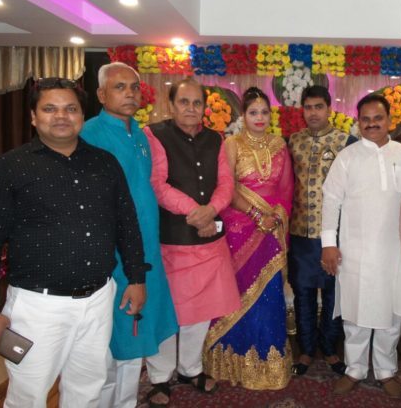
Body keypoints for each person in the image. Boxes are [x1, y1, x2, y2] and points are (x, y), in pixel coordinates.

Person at [0, 78, 147, 407]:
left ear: (82, 116)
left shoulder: (105, 163)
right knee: (28, 396)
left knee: (88, 390)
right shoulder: (9, 167)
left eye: (70, 108)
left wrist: (136, 277)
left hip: (98, 300)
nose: (61, 116)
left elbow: (127, 224)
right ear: (33, 117)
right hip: (36, 308)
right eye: (50, 109)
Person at [80, 62, 179, 408]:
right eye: (119, 87)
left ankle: (126, 402)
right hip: (112, 251)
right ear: (101, 94)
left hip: (145, 247)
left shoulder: (139, 134)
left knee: (135, 333)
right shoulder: (89, 134)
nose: (129, 94)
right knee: (111, 339)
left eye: (134, 87)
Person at [143, 78, 241, 403]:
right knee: (167, 310)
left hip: (209, 238)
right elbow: (157, 183)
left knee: (200, 311)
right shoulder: (155, 134)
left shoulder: (216, 138)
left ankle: (190, 367)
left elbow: (226, 183)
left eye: (197, 103)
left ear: (204, 107)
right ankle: (160, 377)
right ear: (171, 105)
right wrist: (195, 212)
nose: (190, 108)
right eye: (184, 102)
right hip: (171, 240)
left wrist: (211, 210)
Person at [321, 93, 401, 397]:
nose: (372, 124)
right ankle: (355, 368)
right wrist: (328, 244)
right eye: (366, 119)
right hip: (356, 249)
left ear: (389, 121)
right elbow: (331, 201)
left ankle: (386, 370)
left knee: (391, 314)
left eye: (378, 118)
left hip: (396, 251)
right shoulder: (348, 157)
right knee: (355, 314)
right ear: (358, 122)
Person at [203, 87, 294, 390]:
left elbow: (286, 189)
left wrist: (276, 216)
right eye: (253, 112)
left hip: (271, 231)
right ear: (243, 115)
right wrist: (257, 216)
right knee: (237, 293)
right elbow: (226, 187)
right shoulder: (231, 144)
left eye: (264, 112)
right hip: (240, 231)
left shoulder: (279, 145)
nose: (259, 117)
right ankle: (231, 361)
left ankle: (269, 366)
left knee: (269, 297)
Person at [287, 85, 356, 377]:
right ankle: (305, 349)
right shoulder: (292, 141)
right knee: (302, 292)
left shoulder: (346, 142)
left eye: (319, 107)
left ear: (329, 109)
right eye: (308, 107)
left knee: (332, 293)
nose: (313, 113)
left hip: (334, 234)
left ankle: (328, 348)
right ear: (302, 110)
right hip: (300, 233)